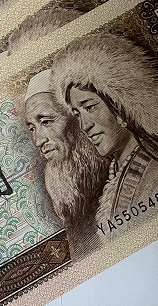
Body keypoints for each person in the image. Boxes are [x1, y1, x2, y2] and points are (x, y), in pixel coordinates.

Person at [50, 33, 158, 232]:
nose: (84, 126)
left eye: (90, 107)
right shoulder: (117, 171)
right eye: (77, 114)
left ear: (121, 106)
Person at [24, 68, 110, 256]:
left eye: (46, 122)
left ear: (76, 119)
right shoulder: (67, 198)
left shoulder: (118, 174)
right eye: (32, 128)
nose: (38, 140)